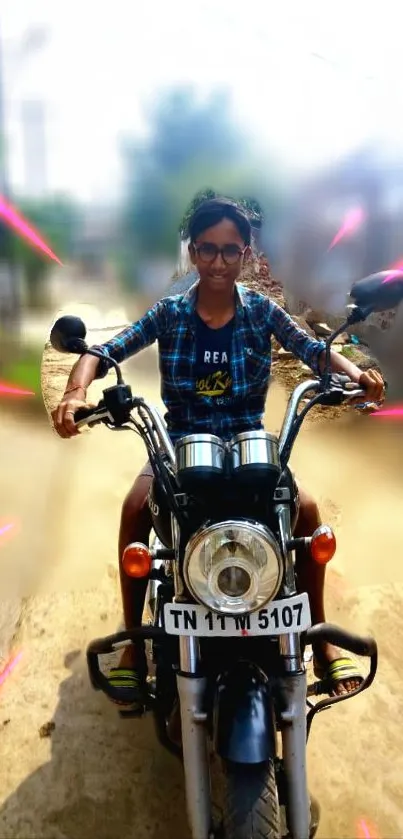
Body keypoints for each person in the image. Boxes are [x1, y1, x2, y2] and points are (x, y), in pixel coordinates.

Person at [53, 198, 385, 709]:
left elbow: (313, 351)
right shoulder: (171, 313)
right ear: (194, 252)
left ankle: (316, 637)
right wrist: (75, 394)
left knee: (309, 512)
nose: (218, 262)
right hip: (181, 445)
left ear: (246, 254)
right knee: (134, 510)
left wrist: (356, 376)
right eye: (208, 249)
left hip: (250, 447)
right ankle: (133, 648)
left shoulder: (261, 310)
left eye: (230, 251)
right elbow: (104, 353)